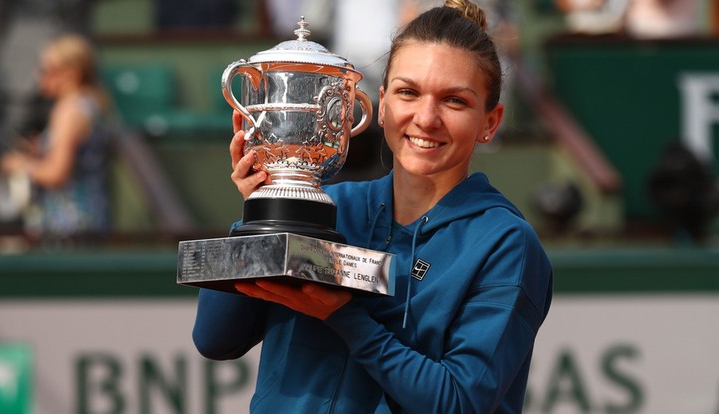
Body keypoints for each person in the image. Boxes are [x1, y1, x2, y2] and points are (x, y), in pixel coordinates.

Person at [192, 1, 553, 412]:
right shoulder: (327, 209)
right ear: (381, 104)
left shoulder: (503, 243)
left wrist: (343, 314)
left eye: (454, 100)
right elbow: (215, 340)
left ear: (490, 121)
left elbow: (459, 402)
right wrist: (263, 211)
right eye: (408, 92)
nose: (426, 117)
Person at [0, 33, 111, 240]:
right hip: (89, 220)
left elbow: (57, 173)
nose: (38, 76)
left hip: (68, 227)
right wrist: (38, 149)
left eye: (46, 70)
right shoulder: (87, 103)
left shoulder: (69, 111)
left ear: (71, 74)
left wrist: (19, 164)